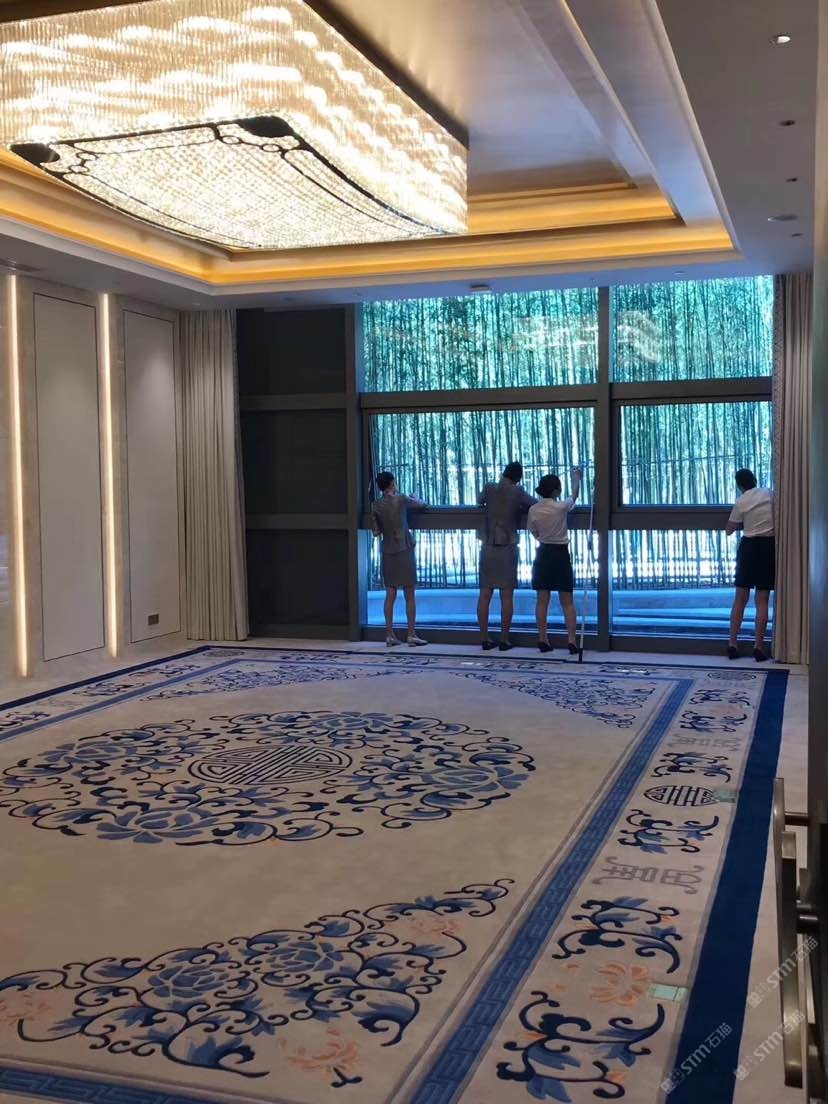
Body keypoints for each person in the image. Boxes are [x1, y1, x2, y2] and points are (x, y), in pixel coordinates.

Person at [477, 461, 536, 651]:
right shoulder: (517, 492)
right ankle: (504, 639)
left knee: (485, 594)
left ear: (504, 473)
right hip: (507, 546)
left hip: (488, 546)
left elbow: (479, 500)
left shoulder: (489, 488)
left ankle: (484, 638)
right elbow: (535, 504)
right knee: (506, 595)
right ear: (518, 478)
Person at [528, 467, 582, 654]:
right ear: (556, 491)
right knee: (567, 600)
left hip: (543, 553)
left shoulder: (533, 509)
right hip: (561, 554)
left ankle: (542, 638)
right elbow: (574, 495)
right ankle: (572, 640)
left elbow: (533, 531)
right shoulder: (560, 507)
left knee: (542, 600)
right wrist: (577, 477)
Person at [371, 472, 428, 647]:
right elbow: (422, 504)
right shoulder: (402, 499)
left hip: (388, 551)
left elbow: (376, 531)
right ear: (392, 483)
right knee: (409, 593)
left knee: (390, 594)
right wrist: (415, 497)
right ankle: (411, 634)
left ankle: (389, 635)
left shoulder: (376, 505)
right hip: (404, 548)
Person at [725, 468, 775, 662]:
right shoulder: (769, 493)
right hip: (768, 547)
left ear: (739, 485)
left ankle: (732, 644)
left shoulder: (741, 501)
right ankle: (759, 647)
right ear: (754, 480)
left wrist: (742, 522)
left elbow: (729, 529)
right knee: (762, 600)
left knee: (740, 598)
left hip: (748, 548)